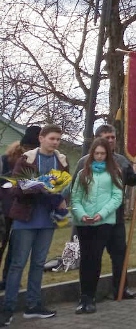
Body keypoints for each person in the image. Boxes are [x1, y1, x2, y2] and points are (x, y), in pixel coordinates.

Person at [0, 124, 70, 326]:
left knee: (39, 264)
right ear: (41, 138)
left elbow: (65, 186)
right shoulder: (27, 158)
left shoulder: (61, 160)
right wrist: (43, 186)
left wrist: (60, 196)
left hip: (47, 220)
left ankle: (33, 305)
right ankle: (8, 309)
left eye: (58, 139)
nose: (55, 142)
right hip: (25, 219)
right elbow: (17, 188)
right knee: (17, 264)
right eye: (52, 138)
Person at [75, 124, 136, 300]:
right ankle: (88, 294)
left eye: (112, 137)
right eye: (106, 137)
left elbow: (131, 181)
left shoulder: (121, 161)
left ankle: (121, 288)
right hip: (92, 218)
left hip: (115, 216)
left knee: (119, 254)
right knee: (93, 256)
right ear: (97, 139)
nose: (110, 141)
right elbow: (76, 189)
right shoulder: (84, 161)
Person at [71, 138, 124, 314]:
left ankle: (91, 296)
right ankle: (84, 297)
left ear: (107, 155)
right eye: (97, 153)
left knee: (95, 257)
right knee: (86, 259)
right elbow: (75, 198)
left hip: (103, 222)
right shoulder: (82, 174)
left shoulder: (114, 172)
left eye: (103, 153)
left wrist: (102, 213)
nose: (99, 157)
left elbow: (117, 197)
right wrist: (82, 214)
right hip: (84, 222)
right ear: (92, 154)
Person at [0, 139, 28, 292]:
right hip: (3, 212)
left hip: (17, 211)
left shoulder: (28, 165)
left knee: (15, 249)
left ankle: (9, 280)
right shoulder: (4, 161)